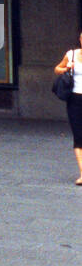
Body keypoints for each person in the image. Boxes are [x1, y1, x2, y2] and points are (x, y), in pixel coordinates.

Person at [54, 31, 82, 185]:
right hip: (75, 99)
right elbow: (57, 69)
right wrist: (66, 68)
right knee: (78, 136)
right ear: (80, 40)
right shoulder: (71, 55)